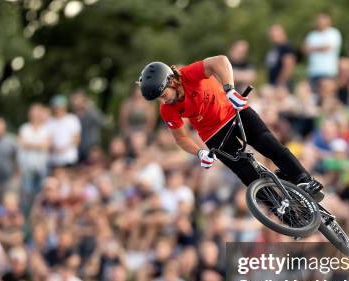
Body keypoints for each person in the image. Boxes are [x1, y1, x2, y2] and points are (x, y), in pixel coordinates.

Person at [137, 56, 323, 202]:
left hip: (233, 111)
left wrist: (229, 90)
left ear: (171, 81)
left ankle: (304, 179)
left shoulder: (189, 74)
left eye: (163, 95)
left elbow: (220, 61)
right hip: (213, 133)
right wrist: (200, 153)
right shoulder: (166, 109)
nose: (163, 101)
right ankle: (283, 212)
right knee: (247, 174)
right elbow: (181, 138)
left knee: (268, 143)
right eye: (159, 99)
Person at [303, 14, 342, 91]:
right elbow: (305, 49)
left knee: (327, 96)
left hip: (328, 71)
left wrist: (312, 48)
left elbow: (327, 48)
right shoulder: (312, 35)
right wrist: (320, 48)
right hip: (313, 71)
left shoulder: (333, 33)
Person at [46, 94, 82, 169]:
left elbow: (77, 138)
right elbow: (48, 138)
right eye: (56, 107)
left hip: (69, 158)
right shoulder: (49, 121)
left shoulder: (72, 119)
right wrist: (54, 148)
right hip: (54, 159)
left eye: (59, 107)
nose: (57, 109)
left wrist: (64, 148)